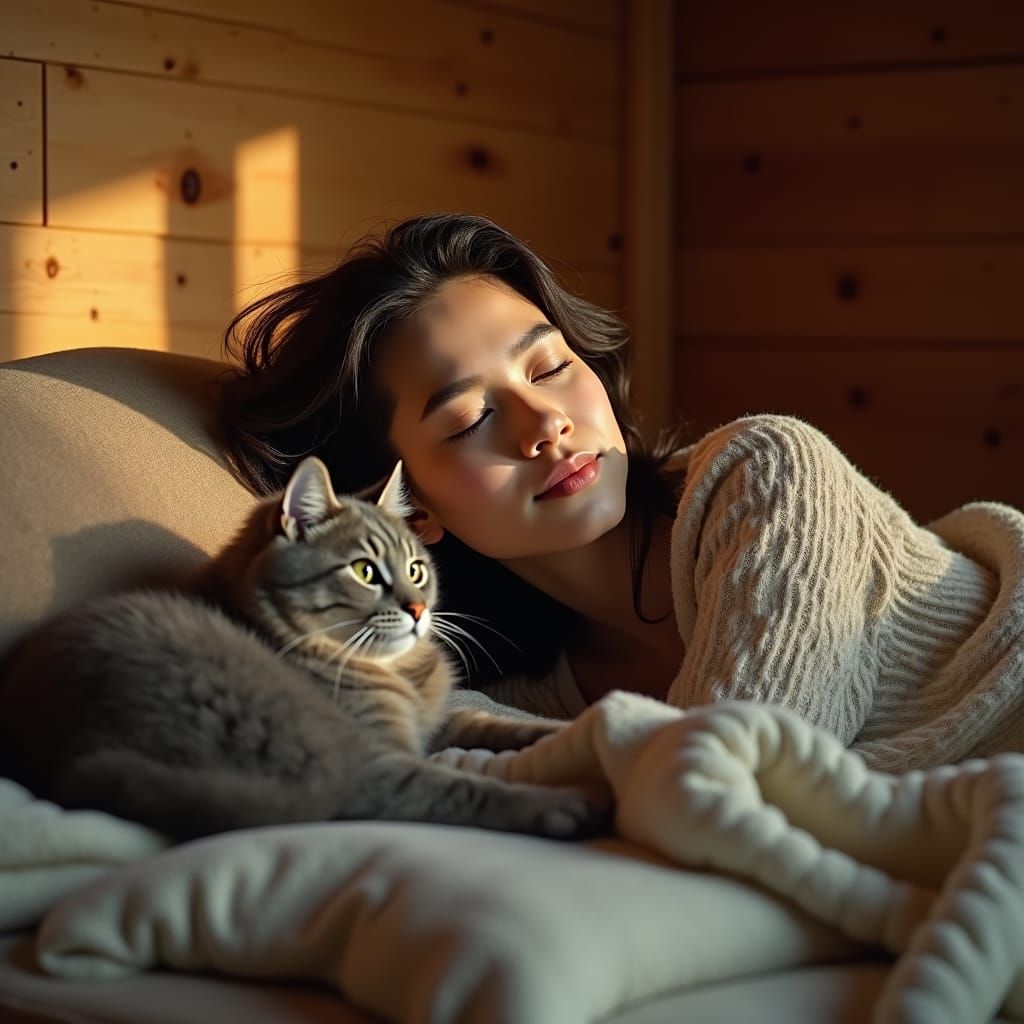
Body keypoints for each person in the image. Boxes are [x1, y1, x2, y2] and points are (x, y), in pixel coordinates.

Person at [215, 212, 1024, 774]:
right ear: (407, 509)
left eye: (550, 367)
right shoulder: (516, 697)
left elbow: (739, 778)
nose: (545, 426)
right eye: (471, 419)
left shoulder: (770, 472)